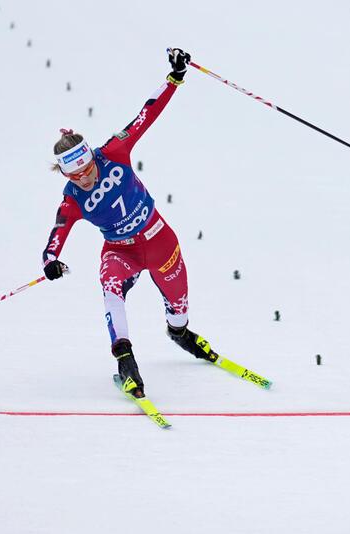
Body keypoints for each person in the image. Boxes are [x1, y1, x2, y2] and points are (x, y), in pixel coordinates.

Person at [41, 48, 218, 399]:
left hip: (159, 240)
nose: (86, 179)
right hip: (121, 252)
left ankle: (179, 333)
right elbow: (54, 240)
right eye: (76, 176)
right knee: (109, 281)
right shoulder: (71, 200)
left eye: (88, 169)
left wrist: (174, 78)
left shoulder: (114, 152)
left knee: (179, 306)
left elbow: (145, 115)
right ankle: (125, 359)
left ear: (92, 157)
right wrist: (50, 263)